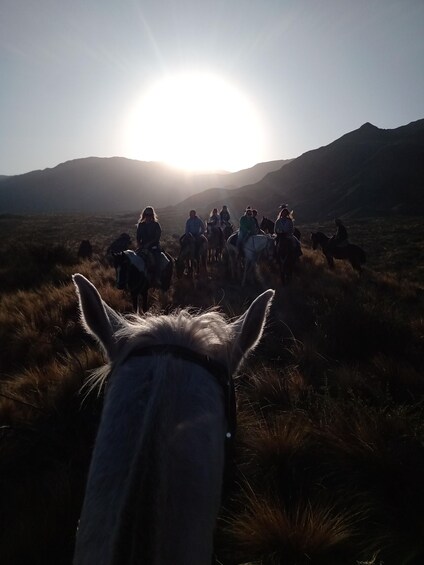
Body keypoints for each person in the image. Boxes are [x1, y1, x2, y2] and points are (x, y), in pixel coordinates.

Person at [136, 206, 162, 284]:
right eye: (146, 214)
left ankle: (156, 278)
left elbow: (157, 237)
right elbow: (138, 237)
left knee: (156, 260)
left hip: (153, 246)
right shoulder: (141, 225)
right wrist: (139, 245)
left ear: (152, 215)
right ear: (144, 215)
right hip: (142, 247)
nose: (148, 216)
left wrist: (148, 244)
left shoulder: (156, 225)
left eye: (149, 214)